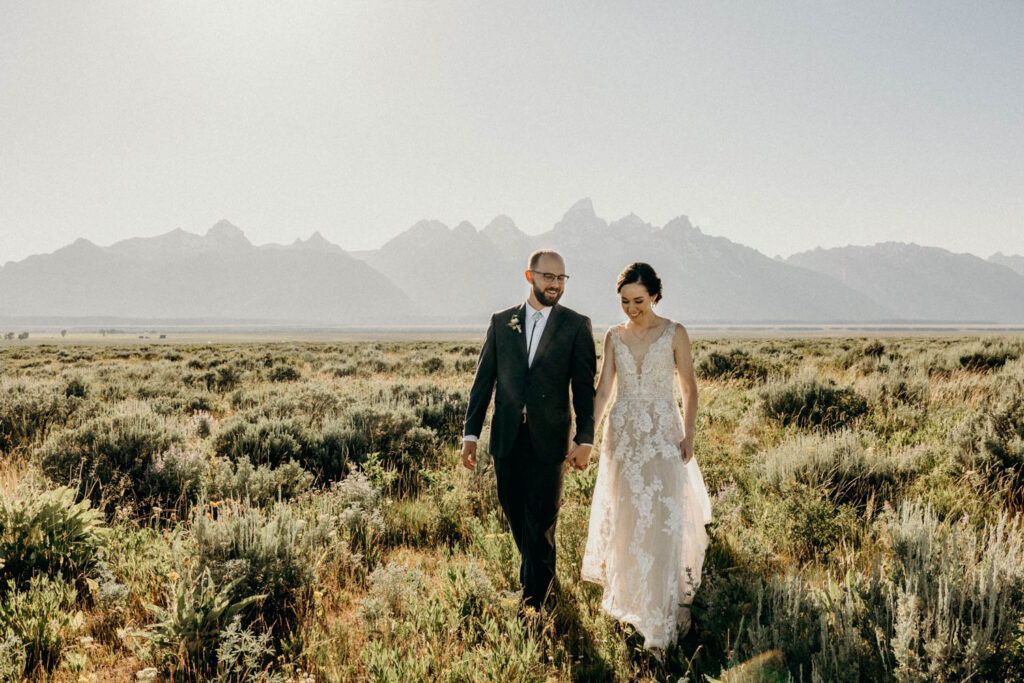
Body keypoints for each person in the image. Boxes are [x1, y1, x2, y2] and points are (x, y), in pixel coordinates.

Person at [579, 262, 712, 653]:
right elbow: (604, 390)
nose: (631, 308)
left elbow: (689, 388)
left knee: (662, 523)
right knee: (628, 521)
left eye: (638, 300)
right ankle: (635, 607)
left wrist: (688, 434)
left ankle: (661, 620)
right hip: (622, 440)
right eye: (624, 301)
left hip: (662, 437)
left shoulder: (675, 333)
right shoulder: (613, 335)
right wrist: (586, 436)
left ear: (654, 295)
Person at [462, 249, 596, 610]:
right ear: (529, 276)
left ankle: (536, 600)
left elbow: (584, 389)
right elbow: (483, 380)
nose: (555, 284)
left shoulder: (576, 325)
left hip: (550, 439)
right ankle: (539, 580)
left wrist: (585, 438)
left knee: (542, 521)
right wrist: (470, 434)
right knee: (514, 511)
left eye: (561, 278)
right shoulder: (502, 321)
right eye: (548, 277)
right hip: (506, 438)